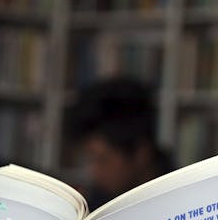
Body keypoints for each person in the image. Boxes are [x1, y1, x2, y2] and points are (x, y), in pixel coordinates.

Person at [65, 77, 174, 211]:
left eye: (102, 160)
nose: (93, 171)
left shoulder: (177, 197)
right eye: (89, 159)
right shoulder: (96, 201)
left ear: (141, 153)